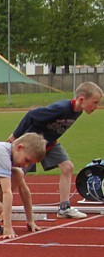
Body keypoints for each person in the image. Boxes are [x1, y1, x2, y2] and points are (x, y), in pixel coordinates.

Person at [8, 81, 102, 219]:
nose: (96, 106)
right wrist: (15, 136)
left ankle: (64, 208)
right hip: (33, 144)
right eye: (94, 102)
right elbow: (31, 116)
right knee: (17, 175)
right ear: (81, 99)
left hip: (50, 143)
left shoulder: (79, 111)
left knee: (67, 167)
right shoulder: (61, 108)